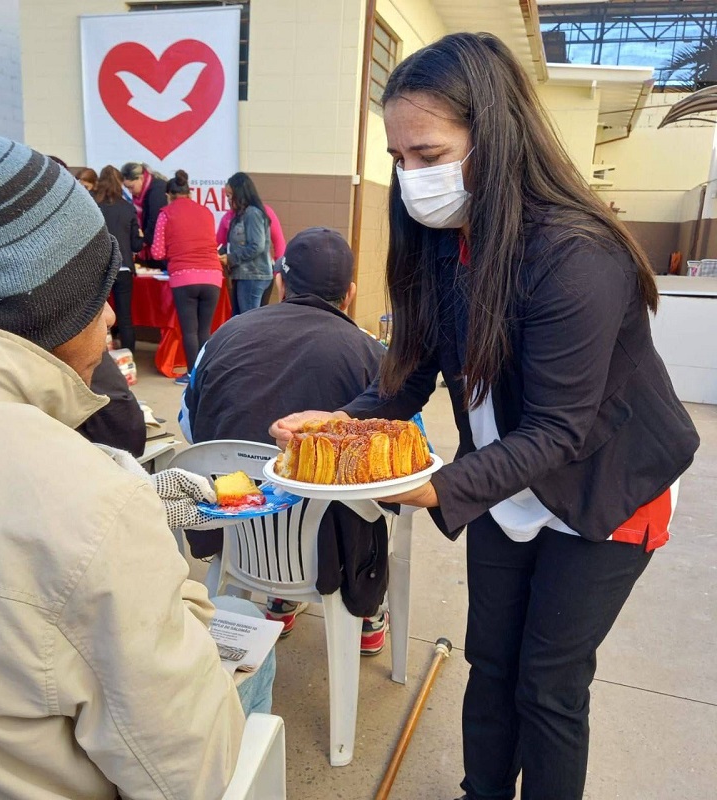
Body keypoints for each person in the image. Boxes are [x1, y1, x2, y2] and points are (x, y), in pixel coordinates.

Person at [270, 34, 700, 800]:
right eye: (399, 159)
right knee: (491, 660)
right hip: (507, 481)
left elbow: (563, 428)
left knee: (550, 683)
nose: (411, 178)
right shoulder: (442, 244)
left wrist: (437, 486)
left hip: (605, 483)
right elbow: (406, 381)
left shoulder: (576, 252)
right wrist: (334, 425)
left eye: (428, 154)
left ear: (494, 136)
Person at [0, 123, 274, 799]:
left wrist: (133, 491)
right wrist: (152, 552)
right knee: (254, 666)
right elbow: (192, 773)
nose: (113, 320)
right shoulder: (88, 507)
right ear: (47, 311)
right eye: (98, 296)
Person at [183, 227, 390, 651]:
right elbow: (401, 463)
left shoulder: (223, 336)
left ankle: (279, 601)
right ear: (349, 294)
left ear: (280, 281)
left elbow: (192, 428)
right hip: (333, 547)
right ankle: (368, 619)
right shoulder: (374, 356)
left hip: (237, 532)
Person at [151, 169, 224, 387]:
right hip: (213, 275)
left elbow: (157, 252)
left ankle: (192, 375)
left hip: (184, 278)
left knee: (190, 331)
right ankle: (205, 373)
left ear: (169, 195)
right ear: (189, 193)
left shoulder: (166, 213)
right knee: (205, 330)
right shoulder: (206, 212)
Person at [94, 164, 143, 355]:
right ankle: (128, 357)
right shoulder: (128, 208)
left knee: (97, 315)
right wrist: (140, 236)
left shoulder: (93, 206)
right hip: (123, 268)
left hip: (100, 268)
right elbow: (136, 245)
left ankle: (101, 357)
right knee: (125, 316)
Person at [215, 192, 285, 306]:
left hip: (259, 272)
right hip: (238, 273)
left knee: (253, 315)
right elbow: (218, 245)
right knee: (241, 315)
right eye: (227, 196)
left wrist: (279, 273)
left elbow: (279, 242)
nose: (228, 199)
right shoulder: (228, 217)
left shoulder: (262, 212)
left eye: (230, 195)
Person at [220, 172, 272, 314]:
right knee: (239, 318)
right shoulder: (240, 215)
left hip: (253, 275)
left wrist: (231, 258)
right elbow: (234, 244)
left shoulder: (252, 213)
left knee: (247, 320)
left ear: (240, 193)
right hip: (243, 275)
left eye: (230, 196)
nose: (228, 200)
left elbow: (257, 245)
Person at [121, 161, 167, 270]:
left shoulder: (157, 191)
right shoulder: (142, 193)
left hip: (160, 248)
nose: (130, 191)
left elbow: (154, 222)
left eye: (131, 187)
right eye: (127, 188)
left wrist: (141, 242)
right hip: (150, 245)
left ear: (140, 178)